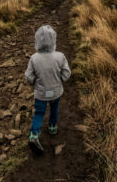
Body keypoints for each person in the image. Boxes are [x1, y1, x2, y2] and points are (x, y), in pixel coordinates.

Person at [25, 25, 71, 154]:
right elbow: (67, 73)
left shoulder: (34, 58)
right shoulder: (60, 56)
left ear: (37, 40)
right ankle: (52, 127)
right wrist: (59, 80)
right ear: (53, 40)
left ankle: (34, 135)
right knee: (54, 109)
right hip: (56, 91)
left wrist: (35, 82)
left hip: (41, 94)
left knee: (39, 113)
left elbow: (28, 76)